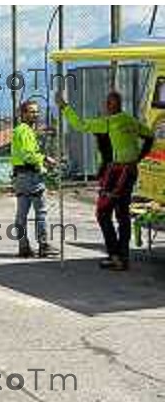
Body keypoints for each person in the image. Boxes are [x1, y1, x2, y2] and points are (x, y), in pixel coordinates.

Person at [56, 91, 154, 270]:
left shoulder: (109, 123)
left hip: (118, 172)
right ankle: (121, 256)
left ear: (112, 105)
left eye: (108, 104)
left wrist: (64, 108)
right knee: (123, 214)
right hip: (130, 170)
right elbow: (150, 136)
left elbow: (81, 125)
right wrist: (139, 157)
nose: (106, 107)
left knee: (103, 213)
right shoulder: (131, 121)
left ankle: (116, 255)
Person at [10, 100, 59, 258]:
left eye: (37, 111)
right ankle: (43, 245)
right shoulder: (24, 131)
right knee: (41, 212)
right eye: (31, 111)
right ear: (22, 114)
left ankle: (23, 246)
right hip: (30, 176)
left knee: (21, 213)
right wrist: (45, 159)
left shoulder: (22, 130)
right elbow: (28, 155)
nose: (35, 114)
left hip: (21, 176)